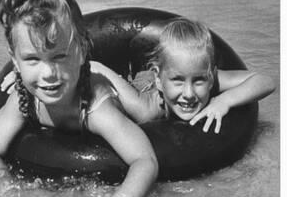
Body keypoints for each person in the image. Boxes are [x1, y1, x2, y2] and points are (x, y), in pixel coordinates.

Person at [0, 0, 159, 197]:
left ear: (82, 50)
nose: (48, 73)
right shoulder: (23, 98)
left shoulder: (96, 109)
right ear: (15, 60)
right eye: (32, 59)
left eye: (60, 56)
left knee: (147, 113)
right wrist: (1, 189)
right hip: (80, 73)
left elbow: (144, 160)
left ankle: (103, 70)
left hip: (102, 86)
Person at [90, 18, 276, 133]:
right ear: (159, 79)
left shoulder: (211, 79)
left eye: (199, 81)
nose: (188, 93)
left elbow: (266, 81)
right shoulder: (145, 110)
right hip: (137, 86)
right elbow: (98, 68)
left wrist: (224, 101)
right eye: (178, 81)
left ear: (210, 76)